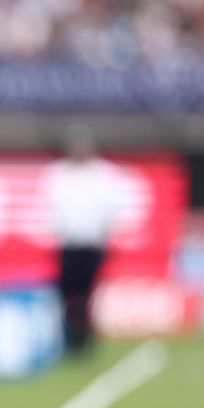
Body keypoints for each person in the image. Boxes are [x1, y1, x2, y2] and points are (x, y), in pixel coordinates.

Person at [43, 124, 127, 356]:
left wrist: (104, 235)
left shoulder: (103, 175)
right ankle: (68, 339)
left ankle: (86, 341)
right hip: (68, 245)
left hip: (92, 245)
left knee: (88, 295)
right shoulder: (58, 174)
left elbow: (110, 210)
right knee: (66, 295)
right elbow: (54, 211)